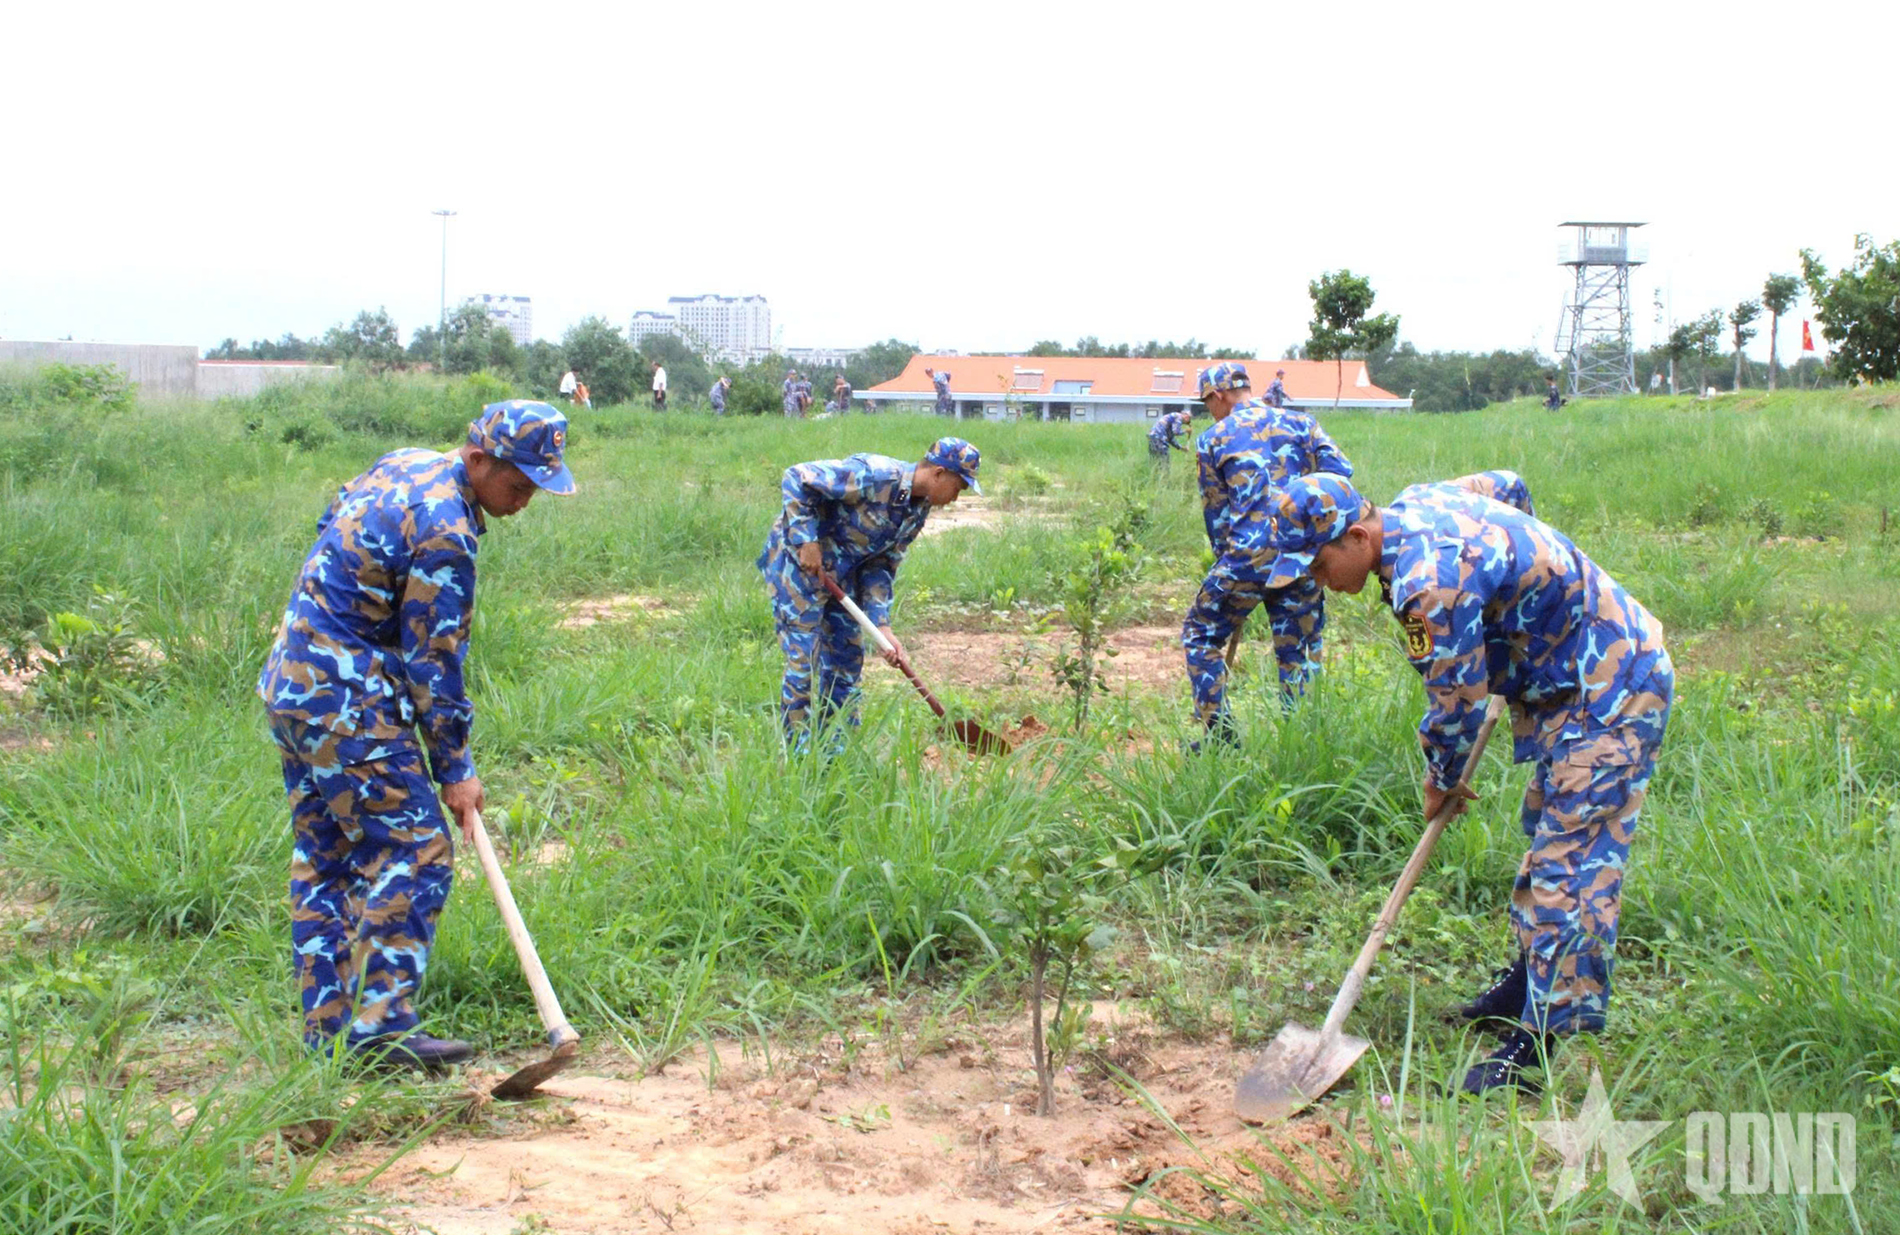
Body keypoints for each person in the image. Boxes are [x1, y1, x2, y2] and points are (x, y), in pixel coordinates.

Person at [1266, 469, 1673, 1095]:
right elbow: (1509, 486)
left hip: (1613, 685)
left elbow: (1457, 702)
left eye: (1319, 566)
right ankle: (1526, 984)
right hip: (1568, 680)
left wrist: (1441, 781)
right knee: (1547, 831)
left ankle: (1538, 1047)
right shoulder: (1420, 501)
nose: (1319, 582)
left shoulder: (1427, 585)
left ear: (1357, 537)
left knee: (1573, 862)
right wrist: (1520, 596)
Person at [257, 400, 576, 1070]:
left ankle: (330, 1036)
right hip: (345, 701)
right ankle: (380, 1031)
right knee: (419, 848)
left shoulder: (404, 463)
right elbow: (434, 659)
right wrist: (455, 767)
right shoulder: (447, 531)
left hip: (291, 684)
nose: (523, 501)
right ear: (478, 459)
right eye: (519, 484)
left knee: (326, 858)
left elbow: (330, 525)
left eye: (536, 489)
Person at [757, 438, 981, 752]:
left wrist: (882, 625)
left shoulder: (916, 511)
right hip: (797, 570)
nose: (956, 498)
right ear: (939, 473)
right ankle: (798, 756)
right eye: (958, 488)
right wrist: (806, 541)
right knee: (803, 661)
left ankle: (836, 752)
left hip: (841, 576)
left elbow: (882, 564)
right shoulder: (874, 475)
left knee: (847, 660)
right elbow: (797, 477)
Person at [1182, 361, 1353, 747]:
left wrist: (1228, 564)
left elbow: (1216, 514)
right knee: (1300, 651)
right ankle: (1303, 744)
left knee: (1200, 634)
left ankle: (1220, 737)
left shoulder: (1212, 439)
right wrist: (1317, 529)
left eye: (1208, 403)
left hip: (1246, 557)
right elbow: (1341, 471)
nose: (1210, 410)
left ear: (1219, 395)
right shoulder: (1302, 424)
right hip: (1303, 556)